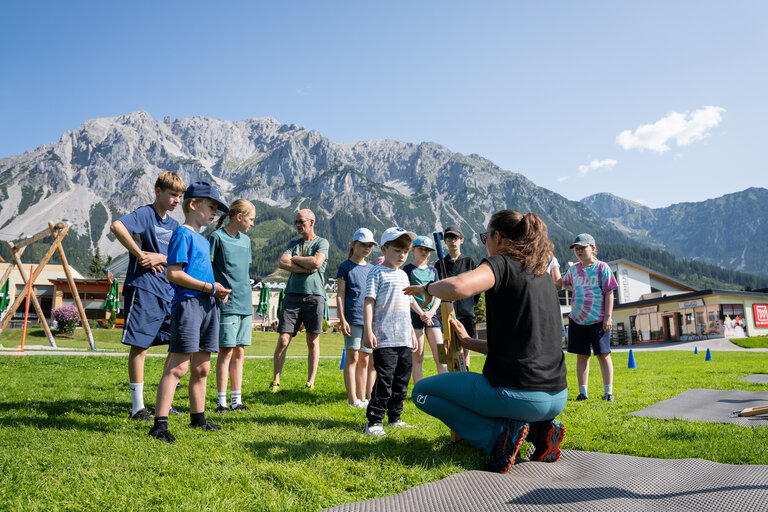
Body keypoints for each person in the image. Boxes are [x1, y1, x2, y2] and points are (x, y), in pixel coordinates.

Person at [405, 210, 567, 473]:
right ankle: (540, 431)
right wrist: (467, 341)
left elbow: (457, 288)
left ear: (498, 237)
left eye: (485, 237)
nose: (485, 243)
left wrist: (426, 288)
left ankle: (497, 437)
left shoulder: (501, 264)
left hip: (518, 396)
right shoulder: (543, 276)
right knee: (492, 394)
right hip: (557, 397)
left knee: (422, 392)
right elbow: (516, 347)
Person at [148, 182, 232, 443]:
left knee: (202, 368)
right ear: (193, 205)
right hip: (189, 306)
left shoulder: (203, 240)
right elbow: (174, 273)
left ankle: (199, 419)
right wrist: (210, 287)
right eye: (211, 207)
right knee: (179, 367)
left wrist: (217, 291)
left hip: (208, 305)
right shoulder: (182, 234)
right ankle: (159, 425)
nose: (215, 213)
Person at [110, 171, 185, 421]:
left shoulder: (175, 226)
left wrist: (162, 257)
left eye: (180, 196)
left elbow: (179, 258)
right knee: (140, 345)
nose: (177, 200)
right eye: (173, 195)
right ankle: (137, 407)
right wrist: (140, 253)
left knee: (175, 347)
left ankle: (165, 402)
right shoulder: (145, 214)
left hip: (168, 293)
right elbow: (117, 226)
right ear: (158, 192)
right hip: (143, 289)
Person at [363, 227, 418, 437]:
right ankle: (374, 421)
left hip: (404, 337)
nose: (402, 255)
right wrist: (368, 330)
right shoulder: (376, 272)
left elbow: (405, 306)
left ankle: (395, 418)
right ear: (384, 249)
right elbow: (369, 302)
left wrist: (412, 332)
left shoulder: (404, 275)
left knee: (402, 381)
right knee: (385, 380)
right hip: (384, 338)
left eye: (405, 251)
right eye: (397, 250)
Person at [270, 209, 329, 391]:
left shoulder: (322, 242)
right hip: (292, 295)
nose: (297, 225)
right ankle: (276, 380)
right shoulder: (293, 243)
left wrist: (295, 260)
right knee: (283, 339)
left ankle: (310, 381)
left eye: (301, 221)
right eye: (296, 221)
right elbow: (282, 262)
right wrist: (305, 265)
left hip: (315, 295)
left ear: (312, 222)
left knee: (312, 340)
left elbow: (317, 263)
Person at [209, 199, 256, 414]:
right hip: (226, 302)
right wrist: (214, 289)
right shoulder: (217, 237)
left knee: (239, 352)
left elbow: (243, 272)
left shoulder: (246, 241)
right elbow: (206, 268)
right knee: (225, 351)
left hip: (246, 303)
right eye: (251, 219)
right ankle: (222, 402)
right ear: (239, 217)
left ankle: (236, 400)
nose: (253, 224)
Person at [562, 233, 618, 402]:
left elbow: (609, 292)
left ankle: (608, 392)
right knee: (582, 356)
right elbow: (566, 284)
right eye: (576, 249)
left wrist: (608, 317)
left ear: (593, 249)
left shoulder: (602, 267)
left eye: (582, 248)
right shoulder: (573, 269)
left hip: (598, 320)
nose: (578, 251)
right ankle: (582, 393)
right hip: (577, 320)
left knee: (603, 355)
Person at [336, 228, 377, 408]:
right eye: (363, 245)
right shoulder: (345, 267)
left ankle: (363, 398)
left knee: (365, 359)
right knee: (352, 357)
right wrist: (342, 319)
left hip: (368, 320)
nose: (367, 248)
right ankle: (352, 399)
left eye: (370, 245)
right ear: (353, 244)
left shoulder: (372, 269)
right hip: (352, 318)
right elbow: (340, 294)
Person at [403, 235, 447, 382]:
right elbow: (407, 294)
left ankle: (445, 389)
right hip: (415, 315)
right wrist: (422, 313)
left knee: (441, 356)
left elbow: (438, 293)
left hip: (432, 315)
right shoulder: (408, 269)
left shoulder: (433, 270)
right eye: (421, 249)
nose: (424, 252)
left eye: (427, 250)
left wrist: (431, 312)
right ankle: (419, 390)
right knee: (418, 357)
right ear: (413, 250)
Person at [442, 225, 479, 368]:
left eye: (455, 238)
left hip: (466, 312)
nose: (452, 241)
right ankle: (452, 370)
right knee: (450, 343)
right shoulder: (441, 264)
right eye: (449, 238)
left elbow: (476, 287)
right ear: (445, 241)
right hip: (448, 312)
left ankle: (466, 369)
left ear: (461, 240)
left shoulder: (469, 262)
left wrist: (469, 303)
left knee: (467, 343)